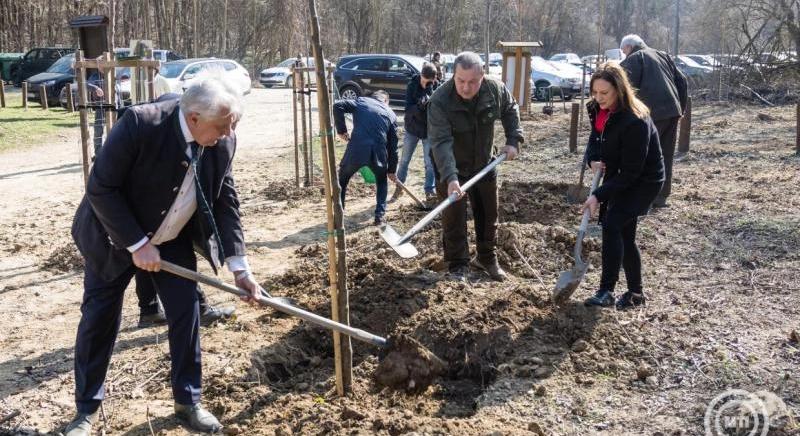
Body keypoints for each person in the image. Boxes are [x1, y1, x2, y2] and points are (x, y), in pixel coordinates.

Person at [65, 76, 260, 435]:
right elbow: (101, 187)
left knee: (186, 313)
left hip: (172, 236)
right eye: (222, 125)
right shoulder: (141, 124)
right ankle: (85, 410)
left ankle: (188, 400)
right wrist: (138, 244)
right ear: (195, 118)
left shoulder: (223, 140)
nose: (228, 133)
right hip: (112, 235)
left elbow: (224, 201)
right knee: (99, 318)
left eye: (232, 125)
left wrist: (239, 266)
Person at [428, 52, 523, 282]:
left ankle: (486, 259)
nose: (466, 87)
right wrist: (451, 178)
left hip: (484, 163)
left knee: (489, 214)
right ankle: (457, 264)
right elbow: (441, 143)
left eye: (472, 82)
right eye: (460, 80)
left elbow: (510, 108)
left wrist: (513, 139)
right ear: (453, 76)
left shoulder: (493, 89)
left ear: (482, 76)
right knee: (454, 217)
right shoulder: (440, 100)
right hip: (450, 166)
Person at [582, 63, 665, 309]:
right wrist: (592, 161)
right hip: (618, 174)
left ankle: (606, 291)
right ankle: (635, 294)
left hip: (643, 180)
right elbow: (595, 140)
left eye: (604, 93)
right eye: (594, 92)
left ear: (619, 89)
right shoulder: (597, 108)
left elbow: (632, 172)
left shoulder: (635, 121)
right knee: (624, 235)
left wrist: (598, 195)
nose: (598, 98)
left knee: (613, 224)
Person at [619, 34, 687, 208]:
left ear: (628, 47)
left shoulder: (634, 59)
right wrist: (681, 109)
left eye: (623, 50)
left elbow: (625, 90)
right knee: (666, 153)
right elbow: (682, 80)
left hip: (651, 114)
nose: (623, 54)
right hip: (673, 111)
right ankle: (661, 196)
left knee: (645, 155)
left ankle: (644, 198)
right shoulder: (662, 55)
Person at [332, 90, 399, 226]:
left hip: (357, 150)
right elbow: (393, 147)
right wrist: (391, 170)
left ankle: (338, 217)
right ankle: (379, 216)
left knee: (342, 181)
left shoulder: (362, 101)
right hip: (378, 153)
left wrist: (341, 130)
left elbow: (337, 105)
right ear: (386, 101)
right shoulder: (391, 114)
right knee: (381, 181)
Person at [391, 62, 440, 205]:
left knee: (429, 162)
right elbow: (407, 109)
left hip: (428, 130)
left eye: (428, 81)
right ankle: (399, 188)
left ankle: (429, 191)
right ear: (421, 75)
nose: (425, 84)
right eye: (424, 80)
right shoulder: (412, 85)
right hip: (412, 128)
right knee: (405, 160)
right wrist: (420, 106)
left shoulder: (435, 85)